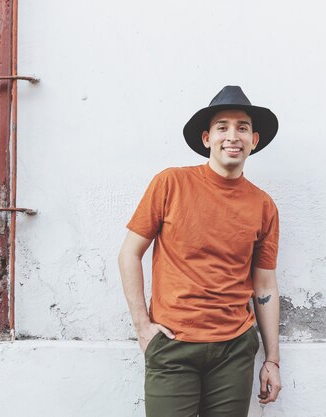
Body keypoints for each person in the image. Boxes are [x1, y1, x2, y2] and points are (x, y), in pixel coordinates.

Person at [118, 85, 282, 417]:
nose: (233, 136)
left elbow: (264, 286)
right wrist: (142, 327)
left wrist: (272, 360)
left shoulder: (263, 205)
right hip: (173, 344)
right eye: (223, 127)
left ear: (255, 140)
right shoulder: (171, 184)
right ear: (207, 139)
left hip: (234, 350)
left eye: (242, 128)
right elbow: (128, 254)